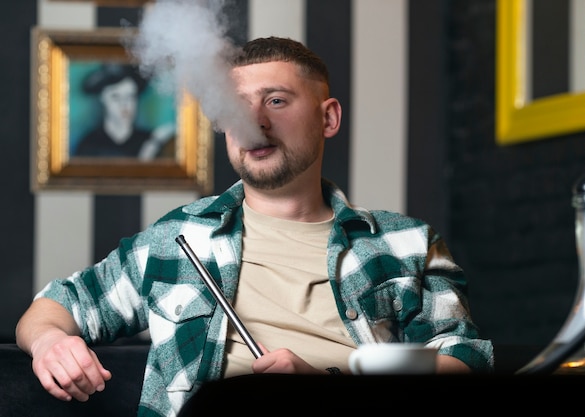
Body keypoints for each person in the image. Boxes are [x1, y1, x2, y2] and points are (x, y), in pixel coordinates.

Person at [16, 36, 494, 417]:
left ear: (328, 118)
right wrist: (52, 342)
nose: (254, 121)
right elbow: (54, 307)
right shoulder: (177, 239)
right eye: (237, 104)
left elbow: (463, 358)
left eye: (278, 101)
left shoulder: (406, 242)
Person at [72, 63, 175, 160]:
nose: (125, 104)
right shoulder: (89, 145)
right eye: (116, 97)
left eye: (130, 96)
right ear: (103, 99)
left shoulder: (149, 141)